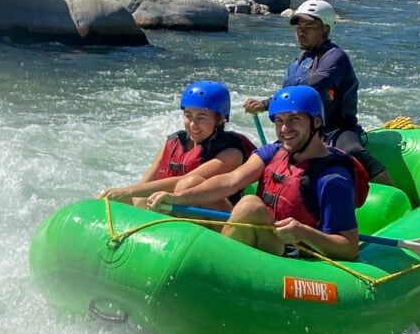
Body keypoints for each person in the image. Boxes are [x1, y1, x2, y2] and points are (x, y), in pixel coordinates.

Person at [147, 86, 365, 261]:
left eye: (294, 120)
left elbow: (348, 249)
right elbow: (230, 180)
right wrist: (175, 198)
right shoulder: (274, 151)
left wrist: (304, 233)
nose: (284, 129)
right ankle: (175, 257)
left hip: (293, 257)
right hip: (263, 236)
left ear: (316, 122)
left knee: (250, 204)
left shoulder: (333, 179)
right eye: (279, 121)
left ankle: (206, 267)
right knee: (188, 187)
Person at [242, 0, 392, 185]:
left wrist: (264, 104)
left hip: (337, 129)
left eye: (309, 27)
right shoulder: (296, 63)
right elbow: (285, 100)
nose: (301, 32)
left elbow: (312, 88)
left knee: (353, 151)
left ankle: (395, 192)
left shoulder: (335, 57)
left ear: (326, 29)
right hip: (304, 130)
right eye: (298, 27)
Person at [99, 80, 255, 210]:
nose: (193, 124)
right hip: (175, 206)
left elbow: (182, 183)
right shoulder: (174, 143)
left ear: (220, 120)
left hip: (219, 218)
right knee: (137, 198)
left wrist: (127, 191)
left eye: (201, 118)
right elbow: (146, 184)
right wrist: (122, 195)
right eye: (188, 116)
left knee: (189, 183)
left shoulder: (231, 153)